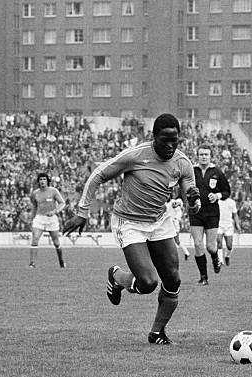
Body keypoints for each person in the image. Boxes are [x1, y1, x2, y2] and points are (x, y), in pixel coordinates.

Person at [63, 113, 201, 345]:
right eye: (164, 139)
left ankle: (157, 332)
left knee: (173, 280)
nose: (169, 145)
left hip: (159, 222)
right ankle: (117, 276)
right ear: (154, 137)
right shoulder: (135, 156)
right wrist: (82, 212)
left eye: (174, 140)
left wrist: (194, 202)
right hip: (129, 223)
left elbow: (192, 204)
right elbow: (98, 175)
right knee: (147, 283)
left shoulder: (183, 164)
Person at [189, 144, 231, 286]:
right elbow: (183, 189)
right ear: (198, 156)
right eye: (201, 154)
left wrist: (217, 195)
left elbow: (227, 192)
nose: (204, 157)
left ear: (210, 156)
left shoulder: (217, 172)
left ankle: (215, 258)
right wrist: (178, 200)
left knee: (211, 247)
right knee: (197, 244)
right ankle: (203, 277)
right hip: (195, 212)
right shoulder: (191, 171)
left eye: (206, 154)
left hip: (212, 213)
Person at [29, 172, 66, 268]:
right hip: (39, 218)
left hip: (51, 219)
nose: (42, 181)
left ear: (47, 181)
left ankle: (61, 261)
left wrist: (54, 211)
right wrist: (32, 218)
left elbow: (62, 203)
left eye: (44, 179)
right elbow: (34, 206)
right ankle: (32, 263)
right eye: (40, 179)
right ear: (38, 181)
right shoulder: (35, 193)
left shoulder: (53, 191)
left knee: (56, 242)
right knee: (35, 239)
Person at [166, 187, 191, 261]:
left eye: (168, 194)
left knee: (176, 240)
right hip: (167, 225)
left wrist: (176, 219)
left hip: (174, 224)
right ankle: (186, 253)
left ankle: (184, 253)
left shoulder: (174, 202)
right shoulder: (164, 204)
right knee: (172, 240)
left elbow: (178, 208)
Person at [217, 194, 241, 266]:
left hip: (229, 226)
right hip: (219, 225)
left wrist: (237, 224)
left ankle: (227, 256)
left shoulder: (232, 202)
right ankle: (220, 261)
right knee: (219, 242)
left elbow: (235, 214)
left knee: (229, 246)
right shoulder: (217, 201)